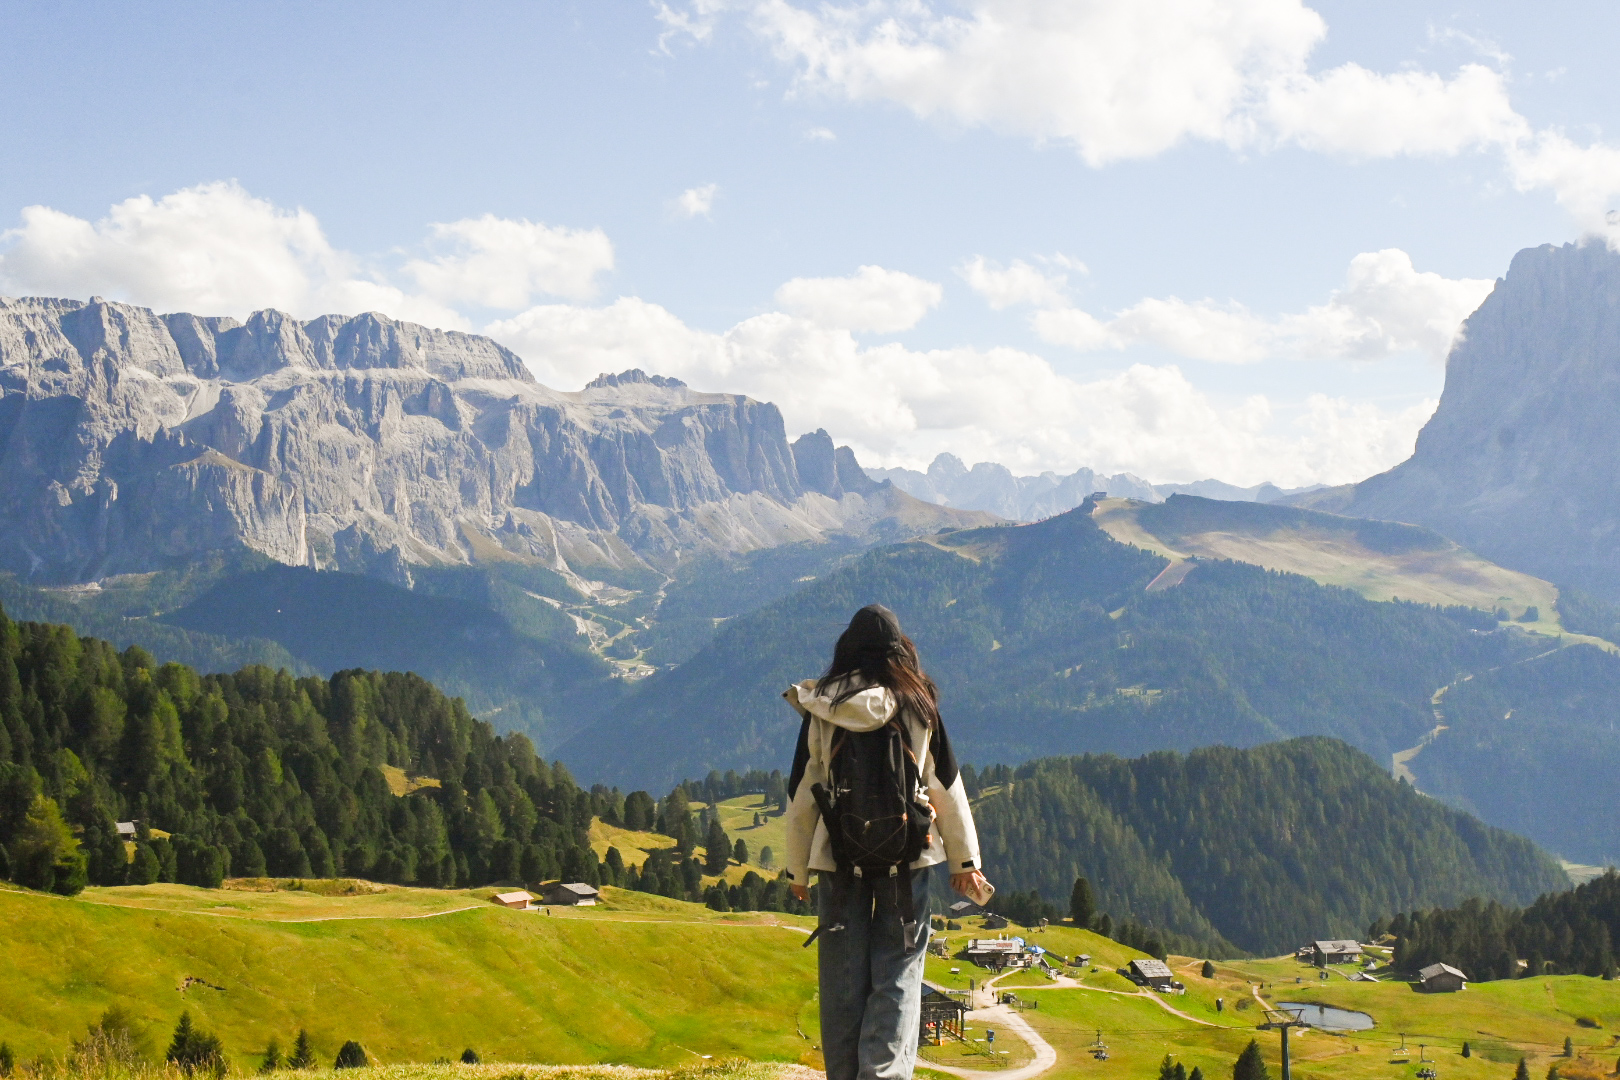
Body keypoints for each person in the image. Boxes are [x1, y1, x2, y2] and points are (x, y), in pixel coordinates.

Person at [784, 604, 989, 1080]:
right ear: (900, 650)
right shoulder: (916, 703)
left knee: (842, 975)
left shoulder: (822, 706)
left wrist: (797, 870)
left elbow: (803, 793)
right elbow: (946, 785)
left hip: (839, 858)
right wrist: (965, 861)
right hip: (907, 859)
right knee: (897, 972)